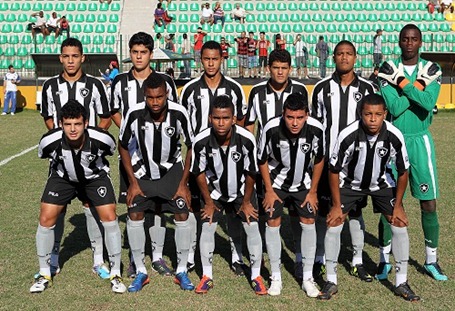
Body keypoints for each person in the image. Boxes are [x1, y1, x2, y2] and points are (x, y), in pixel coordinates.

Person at [319, 93, 420, 302]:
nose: (372, 119)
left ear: (385, 114)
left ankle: (401, 282)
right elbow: (334, 170)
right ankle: (330, 280)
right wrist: (337, 205)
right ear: (360, 114)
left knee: (399, 222)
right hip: (350, 184)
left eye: (377, 114)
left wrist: (398, 205)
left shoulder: (394, 135)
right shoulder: (347, 135)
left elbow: (403, 172)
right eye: (368, 114)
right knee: (335, 222)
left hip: (381, 183)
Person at [30, 100, 126, 294]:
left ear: (86, 122)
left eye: (77, 124)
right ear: (60, 124)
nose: (73, 129)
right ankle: (44, 272)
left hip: (94, 178)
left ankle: (114, 272)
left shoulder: (102, 138)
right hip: (62, 178)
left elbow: (111, 151)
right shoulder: (50, 140)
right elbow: (44, 155)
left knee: (109, 216)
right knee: (46, 217)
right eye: (67, 124)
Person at [377, 23, 447, 281]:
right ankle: (384, 260)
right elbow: (393, 109)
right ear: (399, 41)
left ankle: (431, 260)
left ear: (420, 42)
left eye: (414, 39)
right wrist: (416, 85)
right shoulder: (387, 69)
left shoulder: (432, 69)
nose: (409, 43)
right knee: (390, 202)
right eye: (405, 39)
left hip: (420, 141)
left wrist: (402, 83)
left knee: (429, 202)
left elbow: (429, 103)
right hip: (393, 140)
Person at [40, 37, 112, 279]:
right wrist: (62, 143)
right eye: (66, 56)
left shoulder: (96, 85)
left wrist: (91, 144)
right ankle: (54, 258)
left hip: (90, 159)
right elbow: (49, 119)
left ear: (83, 58)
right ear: (60, 58)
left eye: (75, 56)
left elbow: (105, 118)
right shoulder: (50, 86)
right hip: (61, 159)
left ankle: (98, 259)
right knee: (57, 210)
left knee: (92, 205)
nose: (70, 61)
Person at [110, 31, 179, 278]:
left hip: (161, 157)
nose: (139, 57)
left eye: (143, 53)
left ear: (151, 54)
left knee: (158, 206)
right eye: (135, 52)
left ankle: (158, 256)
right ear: (130, 53)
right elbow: (114, 111)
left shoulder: (165, 80)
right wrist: (129, 133)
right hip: (132, 155)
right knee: (134, 204)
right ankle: (135, 258)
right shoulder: (119, 81)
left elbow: (174, 112)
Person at [118, 72, 195, 292]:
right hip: (142, 171)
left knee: (182, 213)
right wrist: (132, 181)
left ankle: (181, 270)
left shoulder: (179, 113)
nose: (155, 102)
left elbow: (192, 146)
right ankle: (141, 270)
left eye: (159, 97)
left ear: (167, 94)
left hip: (171, 172)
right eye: (150, 98)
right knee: (135, 213)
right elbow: (123, 144)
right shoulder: (133, 114)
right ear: (144, 95)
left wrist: (183, 183)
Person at [180, 41, 248, 276]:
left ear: (221, 60)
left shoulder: (235, 89)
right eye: (206, 59)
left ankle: (237, 256)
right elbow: (186, 132)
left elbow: (240, 124)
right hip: (199, 158)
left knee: (232, 212)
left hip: (228, 158)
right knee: (196, 210)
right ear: (201, 60)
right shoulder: (189, 90)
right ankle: (190, 257)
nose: (210, 63)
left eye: (215, 59)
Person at [311, 40, 375, 283]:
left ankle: (357, 261)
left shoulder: (368, 88)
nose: (344, 58)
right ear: (333, 57)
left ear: (355, 57)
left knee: (356, 211)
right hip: (328, 162)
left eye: (348, 54)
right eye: (340, 54)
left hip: (356, 163)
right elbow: (316, 126)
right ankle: (320, 257)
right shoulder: (320, 88)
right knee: (324, 211)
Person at [191, 95, 267, 295]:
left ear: (234, 118)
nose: (221, 122)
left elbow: (252, 172)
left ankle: (256, 275)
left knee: (251, 227)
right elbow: (198, 172)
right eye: (216, 118)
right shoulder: (200, 141)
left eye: (225, 118)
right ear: (210, 118)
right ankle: (207, 276)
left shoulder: (246, 139)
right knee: (207, 227)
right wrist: (207, 201)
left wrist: (248, 201)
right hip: (213, 190)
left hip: (242, 189)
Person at [245, 49, 309, 280]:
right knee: (268, 211)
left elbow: (306, 124)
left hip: (297, 164)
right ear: (268, 68)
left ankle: (300, 258)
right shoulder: (257, 92)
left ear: (290, 69)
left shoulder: (300, 90)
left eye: (284, 68)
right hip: (268, 166)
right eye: (275, 67)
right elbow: (249, 125)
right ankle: (267, 256)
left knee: (296, 213)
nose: (280, 72)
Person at [258, 93, 324, 297]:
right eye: (289, 117)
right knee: (272, 222)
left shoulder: (316, 129)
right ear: (282, 115)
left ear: (307, 115)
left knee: (308, 220)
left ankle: (307, 278)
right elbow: (261, 160)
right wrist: (268, 190)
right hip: (276, 183)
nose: (294, 123)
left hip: (303, 182)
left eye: (299, 118)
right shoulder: (271, 129)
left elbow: (319, 159)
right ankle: (275, 277)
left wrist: (313, 191)